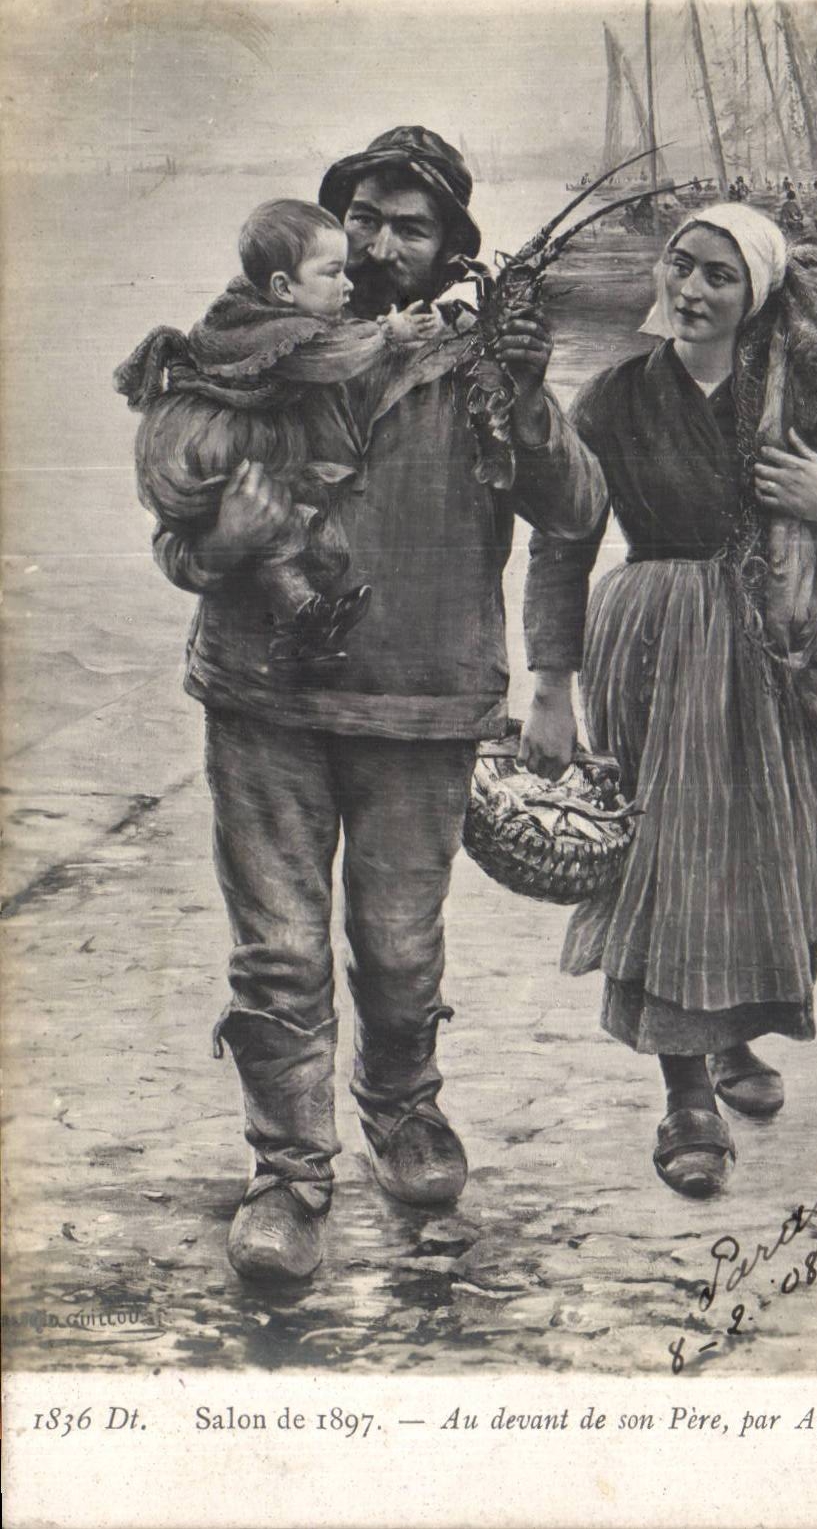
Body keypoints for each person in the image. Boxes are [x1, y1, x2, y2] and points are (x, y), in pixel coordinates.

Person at [146, 128, 607, 1281]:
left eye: (410, 225)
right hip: (264, 697)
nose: (380, 244)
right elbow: (178, 525)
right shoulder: (270, 351)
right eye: (360, 220)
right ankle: (290, 1172)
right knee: (279, 952)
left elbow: (574, 508)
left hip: (424, 702)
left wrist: (529, 391)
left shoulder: (485, 360)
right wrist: (222, 542)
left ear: (451, 243)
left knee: (398, 946)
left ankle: (402, 1111)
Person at [520, 202, 817, 1199]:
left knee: (774, 854)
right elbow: (560, 539)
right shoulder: (610, 400)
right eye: (677, 266)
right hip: (656, 637)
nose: (687, 290)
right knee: (671, 858)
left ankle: (728, 1041)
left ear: (757, 295)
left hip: (784, 647)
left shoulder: (804, 407)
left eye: (716, 277)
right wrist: (548, 685)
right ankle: (685, 1093)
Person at [117, 199, 440, 676]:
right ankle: (306, 615)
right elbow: (330, 354)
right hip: (213, 446)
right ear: (283, 287)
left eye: (411, 229)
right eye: (334, 273)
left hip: (244, 444)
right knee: (276, 523)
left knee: (287, 531)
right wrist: (390, 333)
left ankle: (308, 615)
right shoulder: (279, 332)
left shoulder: (283, 309)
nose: (350, 281)